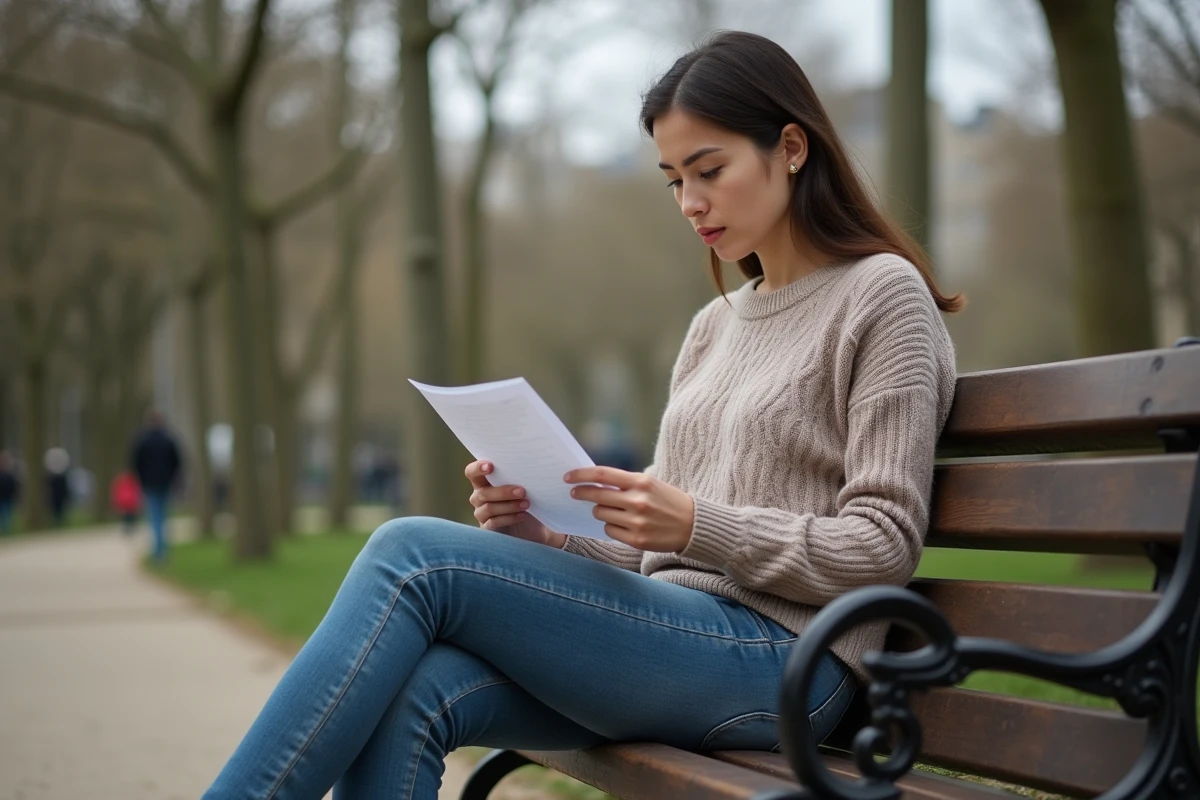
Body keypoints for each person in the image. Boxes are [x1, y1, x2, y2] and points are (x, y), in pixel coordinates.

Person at [203, 31, 961, 799]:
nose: (690, 202)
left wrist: (697, 525)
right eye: (674, 179)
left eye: (709, 170)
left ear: (791, 148)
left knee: (414, 555)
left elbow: (884, 542)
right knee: (417, 690)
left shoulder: (880, 295)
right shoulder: (715, 326)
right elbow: (657, 553)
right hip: (680, 635)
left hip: (790, 663)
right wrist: (552, 537)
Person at [131, 410, 182, 563]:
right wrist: (172, 477)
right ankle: (162, 548)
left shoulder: (143, 440)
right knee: (164, 516)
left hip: (149, 483)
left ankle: (159, 550)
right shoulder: (168, 440)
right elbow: (177, 462)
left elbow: (136, 463)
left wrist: (141, 479)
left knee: (155, 516)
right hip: (165, 483)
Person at [44, 448, 71, 528]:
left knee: (60, 510)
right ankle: (56, 522)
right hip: (55, 497)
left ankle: (59, 522)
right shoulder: (52, 477)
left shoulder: (62, 476)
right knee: (55, 510)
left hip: (60, 497)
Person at [0, 451, 19, 535]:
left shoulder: (9, 474)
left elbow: (13, 486)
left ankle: (6, 529)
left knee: (7, 514)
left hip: (7, 497)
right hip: (3, 497)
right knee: (5, 513)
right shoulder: (6, 475)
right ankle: (5, 529)